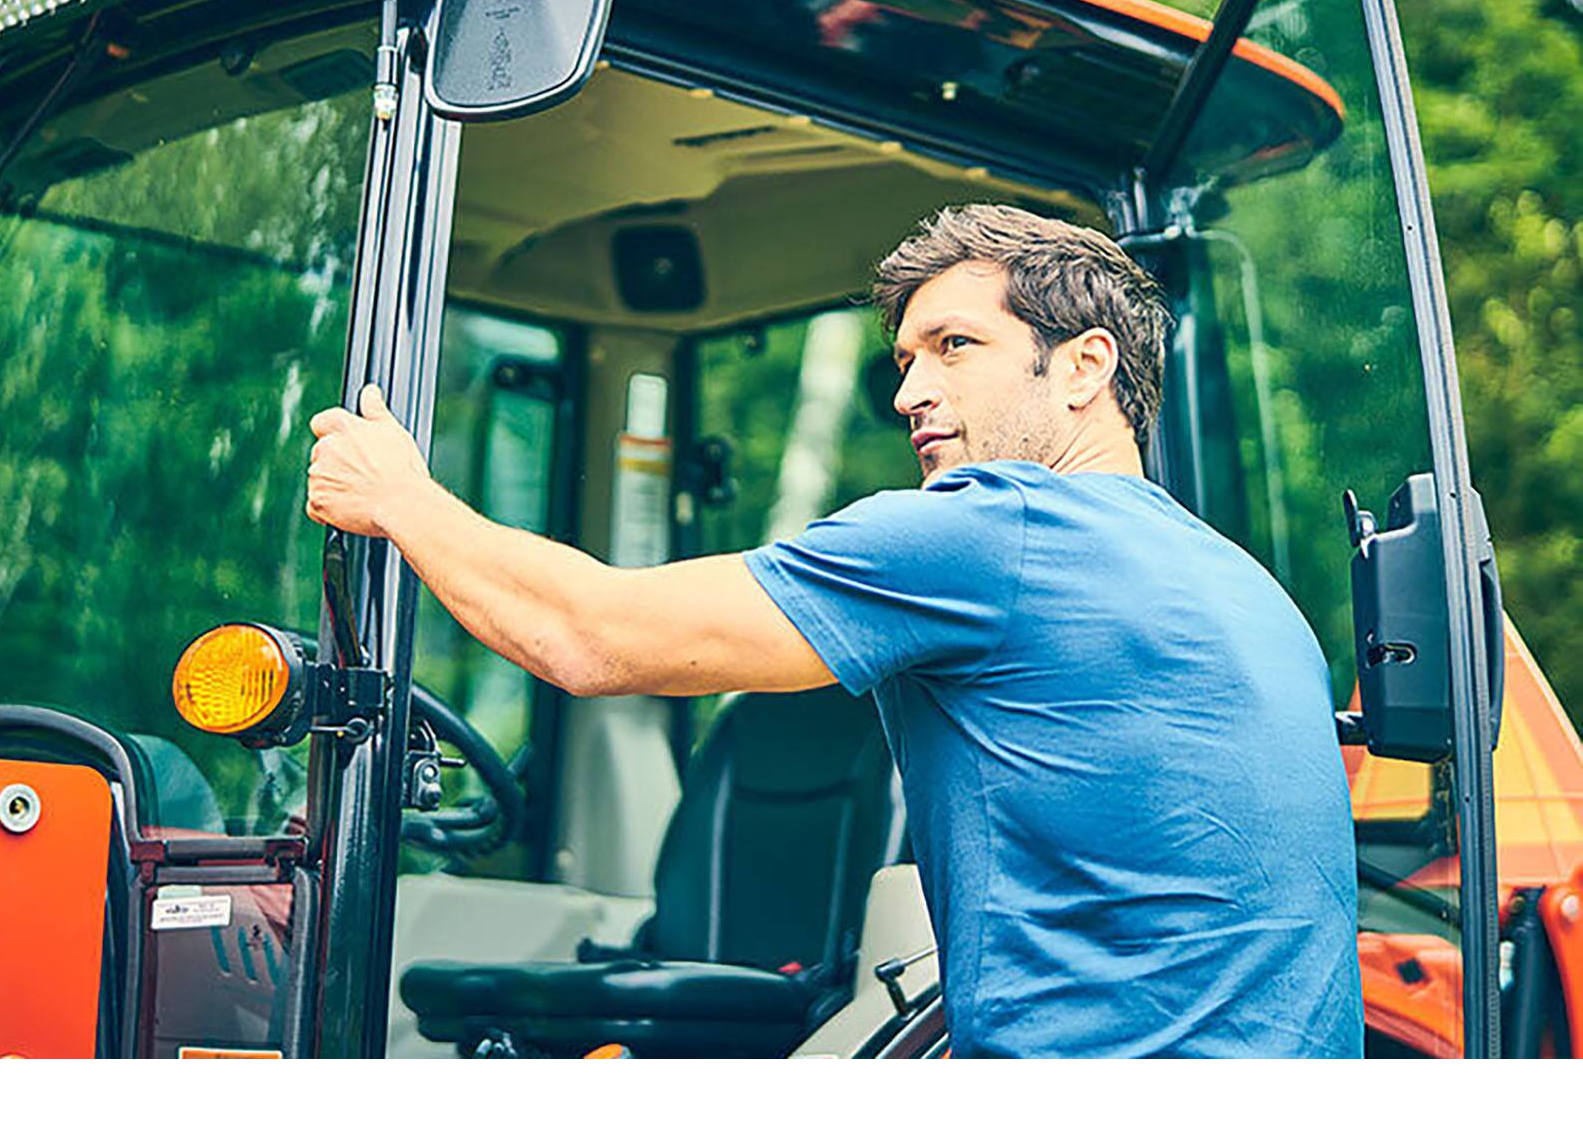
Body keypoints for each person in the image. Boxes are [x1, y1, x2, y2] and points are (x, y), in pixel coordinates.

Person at [305, 202, 1362, 1058]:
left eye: (956, 347)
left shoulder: (992, 532)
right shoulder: (1251, 590)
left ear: (1084, 367)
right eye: (905, 360)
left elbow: (589, 640)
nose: (912, 390)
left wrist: (402, 498)